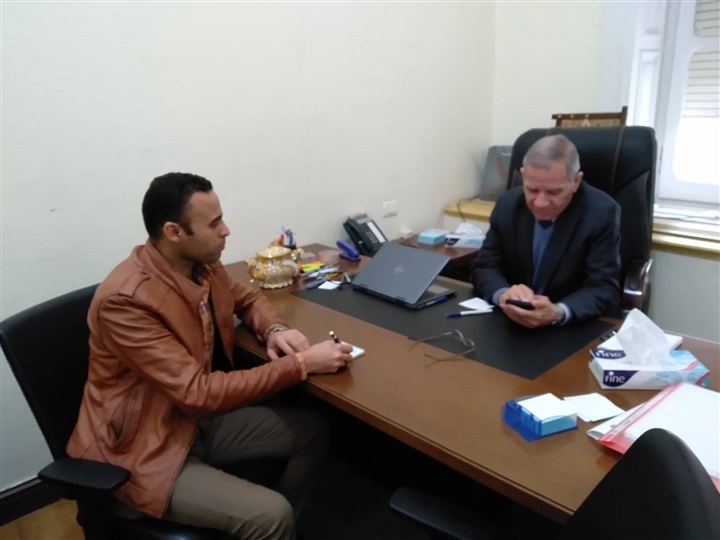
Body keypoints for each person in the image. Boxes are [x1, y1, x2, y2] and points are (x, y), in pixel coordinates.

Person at [67, 172, 353, 539]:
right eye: (214, 223)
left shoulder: (202, 265)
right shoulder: (125, 301)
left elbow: (247, 298)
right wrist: (301, 364)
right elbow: (198, 393)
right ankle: (267, 525)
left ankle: (261, 528)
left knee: (312, 432)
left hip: (190, 422)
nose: (226, 230)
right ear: (174, 232)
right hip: (142, 450)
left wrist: (275, 329)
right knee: (272, 515)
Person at [470, 134, 621, 328]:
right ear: (523, 175)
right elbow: (485, 266)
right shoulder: (508, 204)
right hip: (511, 320)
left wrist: (558, 312)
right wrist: (503, 294)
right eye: (532, 190)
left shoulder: (601, 212)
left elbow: (604, 287)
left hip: (569, 327)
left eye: (554, 192)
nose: (540, 203)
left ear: (576, 181)